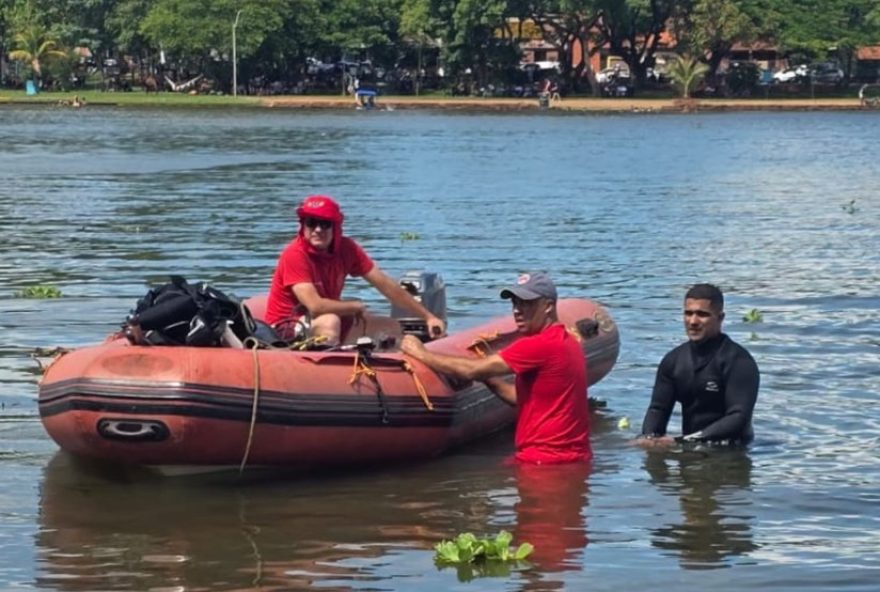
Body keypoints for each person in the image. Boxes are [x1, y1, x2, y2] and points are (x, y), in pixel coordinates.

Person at [400, 271, 591, 464]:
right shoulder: (569, 343)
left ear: (548, 306)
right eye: (515, 303)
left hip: (545, 461)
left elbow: (471, 370)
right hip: (572, 457)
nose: (517, 310)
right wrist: (487, 378)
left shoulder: (539, 345)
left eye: (527, 303)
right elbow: (519, 398)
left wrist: (421, 353)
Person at [265, 195, 445, 345]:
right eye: (312, 223)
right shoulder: (295, 254)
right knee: (330, 321)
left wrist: (428, 316)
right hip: (285, 327)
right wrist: (354, 306)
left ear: (335, 227)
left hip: (324, 319)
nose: (318, 230)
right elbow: (316, 307)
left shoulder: (347, 249)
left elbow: (385, 285)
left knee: (392, 327)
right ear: (303, 226)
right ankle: (325, 373)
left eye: (325, 224)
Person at [636, 283, 759, 448]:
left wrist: (682, 441)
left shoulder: (739, 361)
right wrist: (649, 439)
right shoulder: (673, 361)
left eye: (702, 314)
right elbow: (658, 409)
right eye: (688, 313)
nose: (693, 321)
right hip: (690, 448)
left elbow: (738, 417)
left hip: (731, 452)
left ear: (720, 318)